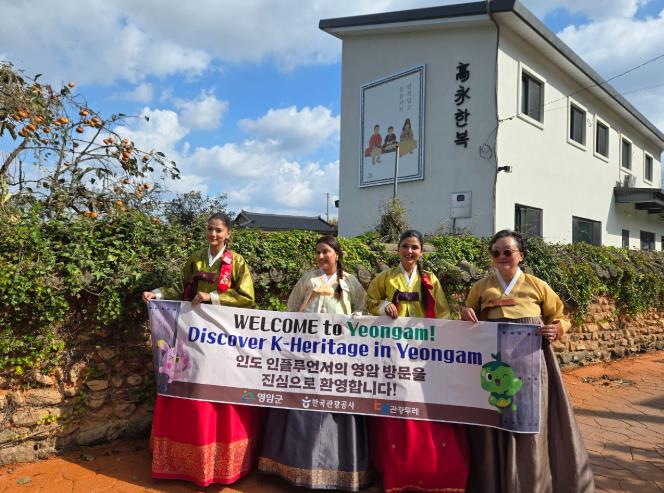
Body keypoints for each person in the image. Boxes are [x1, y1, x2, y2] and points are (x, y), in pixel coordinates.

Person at [462, 230, 595, 493]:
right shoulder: (481, 287)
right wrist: (466, 315)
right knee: (493, 417)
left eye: (507, 251)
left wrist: (557, 328)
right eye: (496, 252)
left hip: (530, 365)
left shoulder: (537, 286)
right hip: (493, 365)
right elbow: (468, 319)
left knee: (529, 419)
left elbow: (560, 317)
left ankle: (531, 482)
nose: (501, 256)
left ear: (520, 256)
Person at [142, 213, 266, 487]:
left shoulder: (236, 262)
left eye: (219, 230)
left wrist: (213, 297)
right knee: (194, 387)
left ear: (228, 233)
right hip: (195, 336)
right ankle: (186, 455)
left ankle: (223, 459)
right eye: (210, 229)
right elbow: (181, 287)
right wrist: (157, 294)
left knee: (220, 389)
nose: (213, 234)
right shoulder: (196, 259)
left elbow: (248, 298)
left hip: (223, 339)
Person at [259, 235, 373, 491]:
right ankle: (295, 464)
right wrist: (309, 298)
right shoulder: (308, 279)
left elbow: (362, 311)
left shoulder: (350, 282)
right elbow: (291, 312)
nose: (321, 256)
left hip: (337, 355)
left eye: (326, 252)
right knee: (303, 401)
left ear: (337, 254)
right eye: (318, 252)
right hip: (307, 351)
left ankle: (337, 468)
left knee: (335, 404)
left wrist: (355, 319)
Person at [365, 230, 470, 493]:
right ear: (398, 249)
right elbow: (369, 302)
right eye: (405, 246)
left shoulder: (429, 279)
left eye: (414, 247)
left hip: (424, 350)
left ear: (421, 251)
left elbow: (442, 311)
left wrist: (441, 339)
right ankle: (396, 467)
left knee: (424, 398)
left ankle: (431, 465)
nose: (409, 251)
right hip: (394, 348)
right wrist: (383, 307)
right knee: (398, 397)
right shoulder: (385, 278)